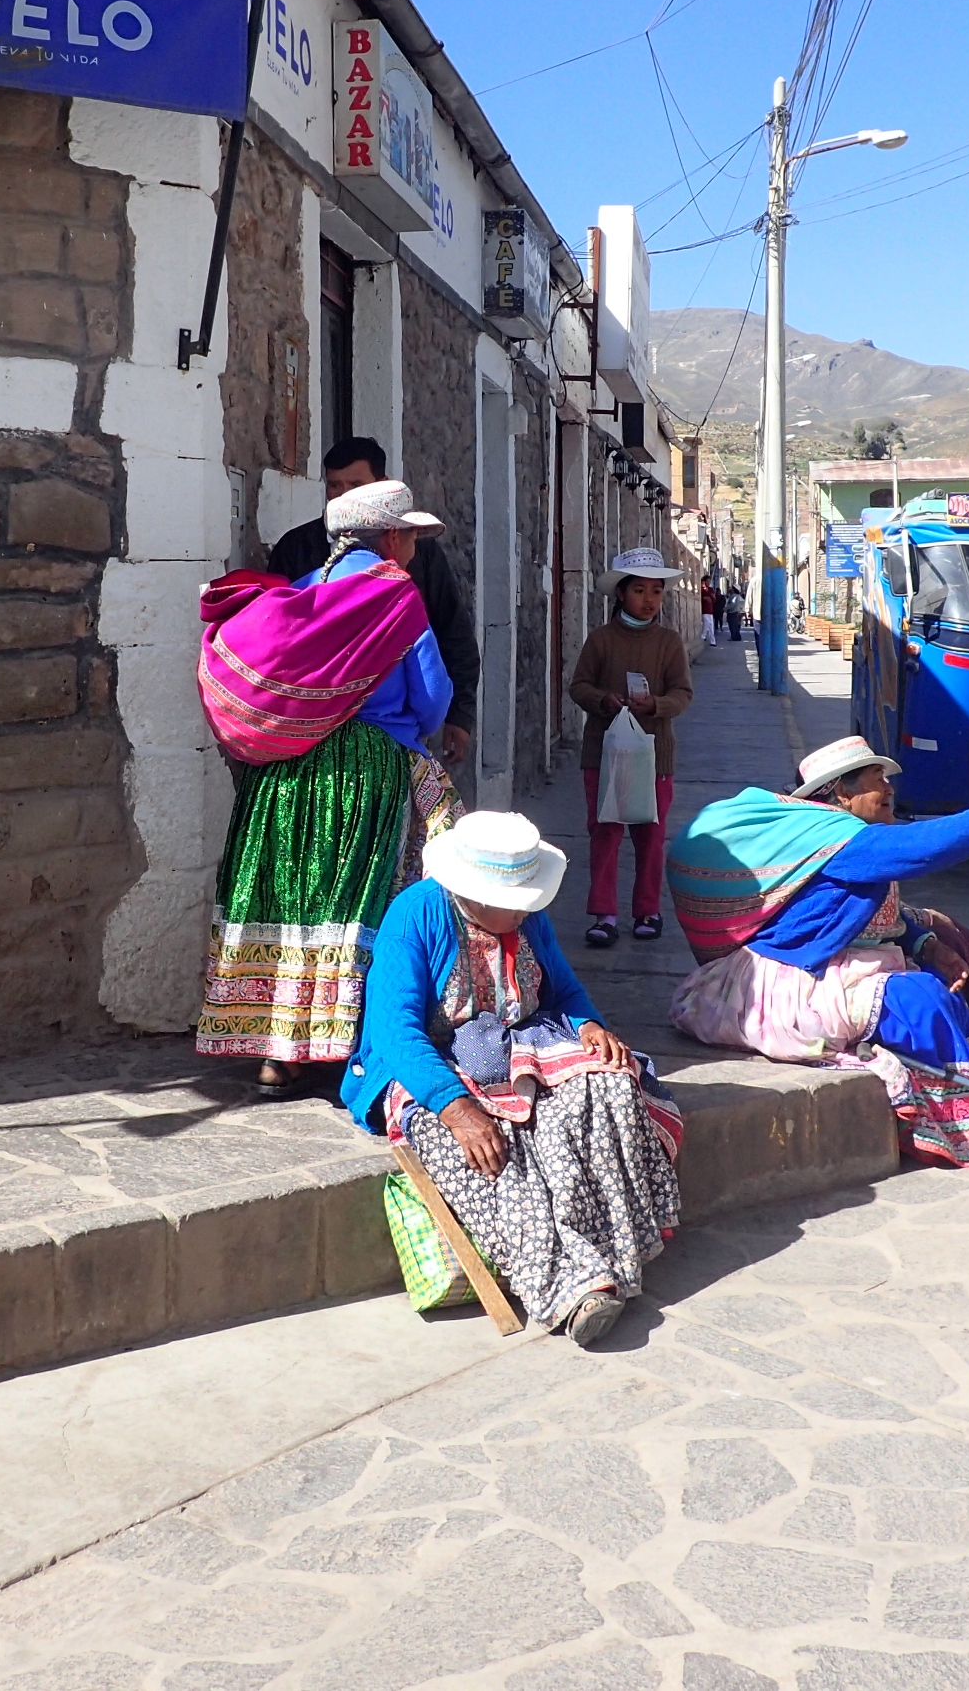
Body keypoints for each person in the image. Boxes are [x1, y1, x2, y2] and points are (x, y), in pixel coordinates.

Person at [343, 812, 683, 1345]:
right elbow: (395, 1032)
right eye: (515, 902)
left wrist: (590, 1025)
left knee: (611, 1085)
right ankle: (571, 1289)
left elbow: (564, 992)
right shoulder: (415, 915)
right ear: (472, 895)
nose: (528, 912)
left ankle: (617, 1249)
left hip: (516, 1045)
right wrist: (458, 1110)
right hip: (432, 1063)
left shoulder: (526, 917)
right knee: (494, 1150)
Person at [667, 737, 969, 1168]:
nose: (888, 789)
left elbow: (876, 916)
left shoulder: (841, 841)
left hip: (843, 963)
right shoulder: (843, 844)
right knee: (919, 999)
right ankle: (946, 1122)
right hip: (794, 980)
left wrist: (927, 943)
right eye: (875, 780)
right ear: (841, 793)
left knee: (956, 941)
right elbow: (920, 847)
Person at [198, 480, 463, 1098]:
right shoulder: (394, 596)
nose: (415, 549)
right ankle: (366, 1042)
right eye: (413, 537)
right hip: (365, 768)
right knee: (379, 895)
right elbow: (431, 698)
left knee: (288, 896)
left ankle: (276, 1052)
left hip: (284, 772)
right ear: (394, 538)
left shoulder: (299, 593)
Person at [268, 437, 478, 769]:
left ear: (379, 484)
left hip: (298, 757)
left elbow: (453, 631)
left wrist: (461, 715)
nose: (343, 495)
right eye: (335, 485)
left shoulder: (422, 558)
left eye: (355, 485)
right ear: (396, 537)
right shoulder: (297, 549)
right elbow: (432, 697)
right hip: (372, 757)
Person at [568, 547, 697, 948]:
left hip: (655, 756)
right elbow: (579, 687)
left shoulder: (669, 643)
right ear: (621, 594)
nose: (649, 600)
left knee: (650, 835)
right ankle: (604, 914)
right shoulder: (601, 640)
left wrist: (656, 705)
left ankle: (647, 910)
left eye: (656, 592)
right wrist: (603, 700)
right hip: (604, 755)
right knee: (605, 832)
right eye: (640, 591)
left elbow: (683, 693)